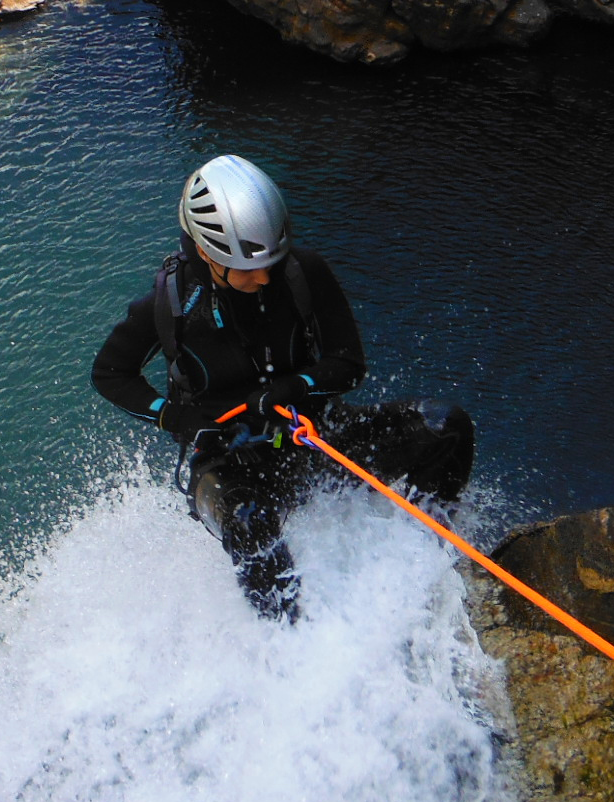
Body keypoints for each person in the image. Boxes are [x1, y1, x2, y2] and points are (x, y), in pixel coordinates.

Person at [91, 154, 474, 620]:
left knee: (447, 428)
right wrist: (181, 419)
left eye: (273, 261)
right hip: (227, 463)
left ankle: (429, 558)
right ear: (208, 255)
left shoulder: (301, 274)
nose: (265, 276)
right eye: (250, 268)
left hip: (312, 436)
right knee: (249, 523)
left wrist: (297, 387)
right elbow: (110, 374)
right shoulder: (170, 305)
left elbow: (348, 364)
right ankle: (288, 641)